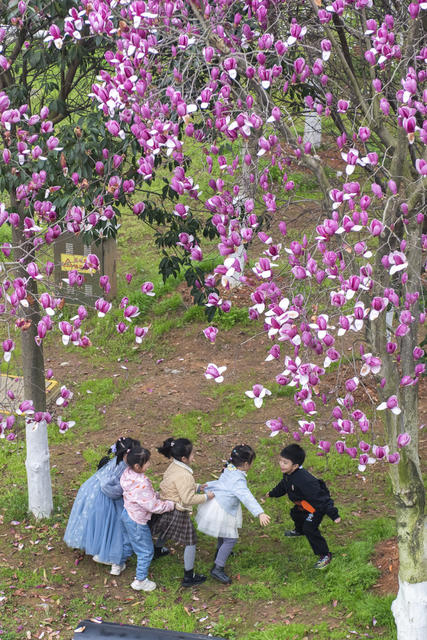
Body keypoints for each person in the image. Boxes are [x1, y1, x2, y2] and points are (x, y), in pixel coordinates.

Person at [63, 436, 140, 575]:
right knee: (113, 524)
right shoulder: (123, 468)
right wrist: (123, 491)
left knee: (97, 522)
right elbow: (107, 486)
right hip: (104, 496)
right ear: (127, 454)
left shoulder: (117, 461)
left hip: (92, 490)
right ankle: (107, 555)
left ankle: (99, 548)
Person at [196, 444, 271, 585]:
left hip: (218, 503)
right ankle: (217, 568)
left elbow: (222, 482)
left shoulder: (229, 467)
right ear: (246, 464)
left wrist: (207, 485)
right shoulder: (238, 481)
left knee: (222, 532)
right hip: (224, 508)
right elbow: (246, 497)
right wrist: (259, 513)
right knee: (231, 539)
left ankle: (220, 551)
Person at [150, 437, 214, 587]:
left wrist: (197, 486)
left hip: (167, 504)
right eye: (192, 454)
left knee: (166, 530)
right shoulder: (185, 475)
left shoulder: (174, 466)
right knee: (190, 541)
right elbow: (187, 498)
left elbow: (177, 485)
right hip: (178, 510)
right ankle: (188, 576)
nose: (194, 457)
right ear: (184, 458)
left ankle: (157, 550)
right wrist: (206, 496)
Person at [266, 443, 341, 569]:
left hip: (315, 507)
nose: (281, 464)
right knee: (295, 514)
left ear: (295, 466)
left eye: (285, 462)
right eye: (280, 461)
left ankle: (325, 554)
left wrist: (333, 514)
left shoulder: (305, 480)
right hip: (302, 505)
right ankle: (299, 531)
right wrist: (273, 493)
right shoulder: (288, 474)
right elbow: (283, 486)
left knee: (310, 528)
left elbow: (321, 497)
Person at [120, 446, 175, 591]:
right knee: (146, 551)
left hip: (127, 513)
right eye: (147, 462)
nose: (149, 464)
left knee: (129, 542)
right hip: (137, 520)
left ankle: (118, 563)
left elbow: (141, 497)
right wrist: (169, 505)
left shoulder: (127, 473)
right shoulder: (142, 483)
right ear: (137, 466)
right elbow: (153, 506)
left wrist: (154, 494)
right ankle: (140, 580)